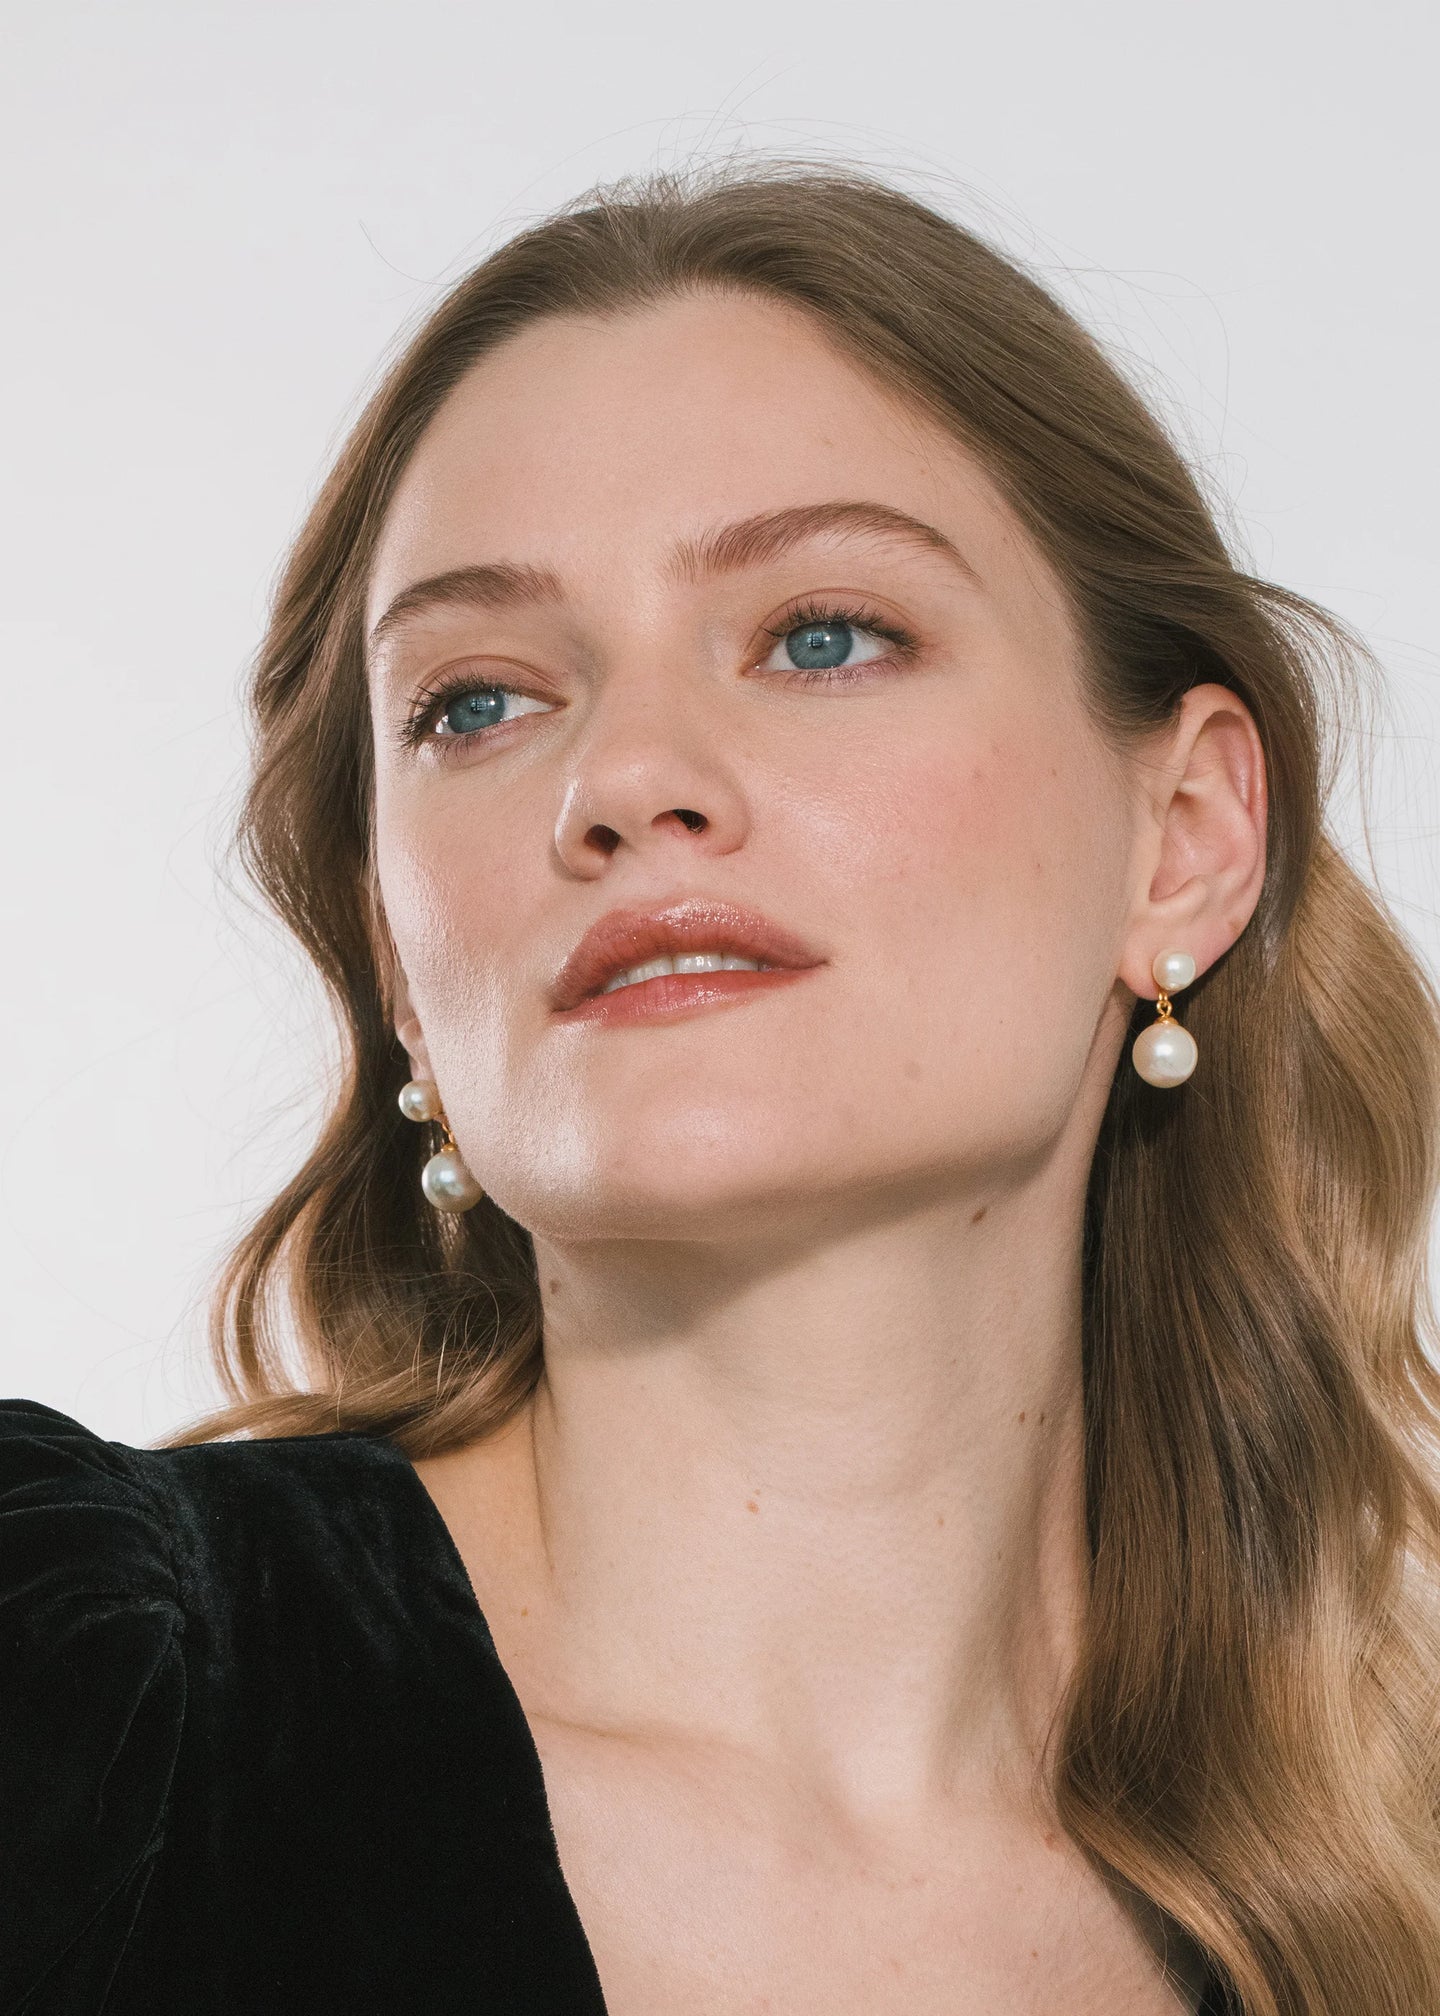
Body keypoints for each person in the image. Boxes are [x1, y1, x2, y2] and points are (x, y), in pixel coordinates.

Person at [3, 161, 1438, 2016]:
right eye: (477, 701)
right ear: (397, 965)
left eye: (822, 635)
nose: (625, 777)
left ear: (1184, 839)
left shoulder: (1386, 1888)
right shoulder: (76, 1692)